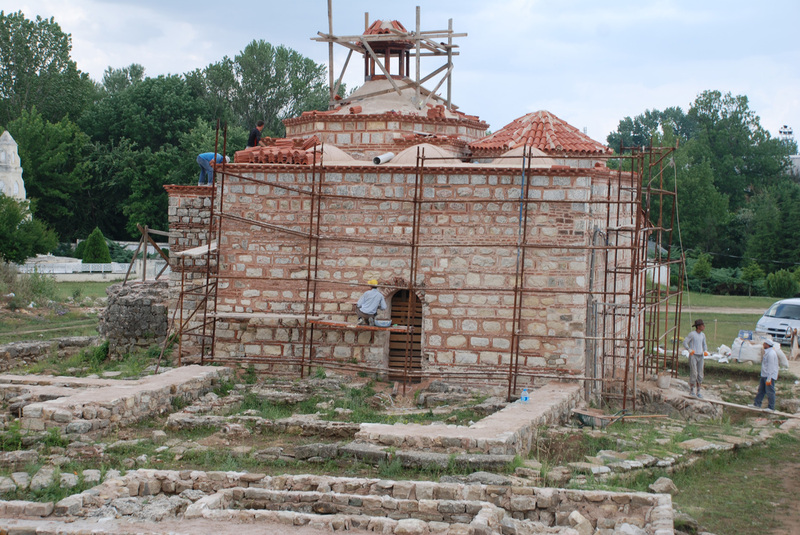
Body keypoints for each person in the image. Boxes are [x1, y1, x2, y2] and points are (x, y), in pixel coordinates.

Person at [683, 318, 707, 397]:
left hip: (700, 355)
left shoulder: (703, 335)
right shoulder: (692, 334)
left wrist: (705, 350)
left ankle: (699, 391)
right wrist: (689, 349)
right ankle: (692, 390)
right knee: (694, 373)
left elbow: (704, 344)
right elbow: (685, 342)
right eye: (702, 325)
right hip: (693, 355)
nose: (704, 327)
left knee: (700, 374)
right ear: (698, 326)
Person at [753, 340, 779, 411]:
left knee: (770, 392)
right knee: (761, 390)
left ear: (767, 345)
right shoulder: (767, 352)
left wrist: (769, 378)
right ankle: (757, 404)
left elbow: (771, 366)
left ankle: (771, 407)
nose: (763, 345)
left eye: (764, 344)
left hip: (769, 376)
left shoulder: (771, 354)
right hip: (764, 375)